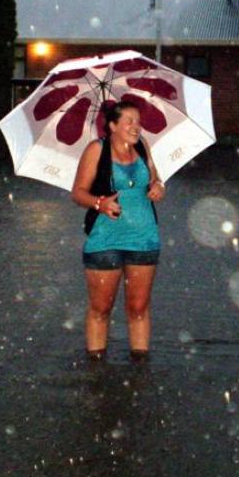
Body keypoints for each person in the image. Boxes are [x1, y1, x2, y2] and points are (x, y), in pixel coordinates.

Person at [71, 101, 165, 362]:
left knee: (138, 308)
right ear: (113, 126)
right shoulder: (96, 150)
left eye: (138, 121)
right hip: (105, 240)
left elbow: (155, 179)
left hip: (144, 239)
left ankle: (140, 367)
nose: (137, 127)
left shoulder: (142, 146)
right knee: (101, 309)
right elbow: (78, 193)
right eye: (129, 121)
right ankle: (96, 367)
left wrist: (159, 186)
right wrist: (100, 204)